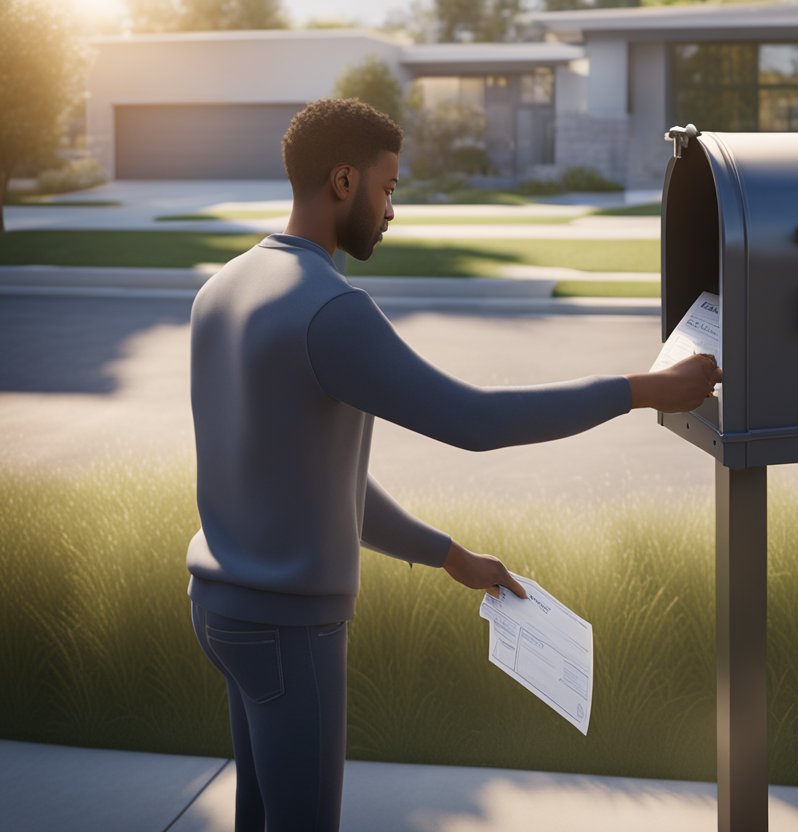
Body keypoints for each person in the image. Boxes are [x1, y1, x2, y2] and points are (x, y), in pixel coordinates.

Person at [186, 98, 721, 831]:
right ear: (343, 181)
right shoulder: (328, 310)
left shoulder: (222, 289)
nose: (391, 210)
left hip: (221, 614)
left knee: (262, 816)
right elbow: (474, 420)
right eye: (388, 188)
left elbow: (315, 482)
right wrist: (640, 389)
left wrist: (448, 555)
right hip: (289, 630)